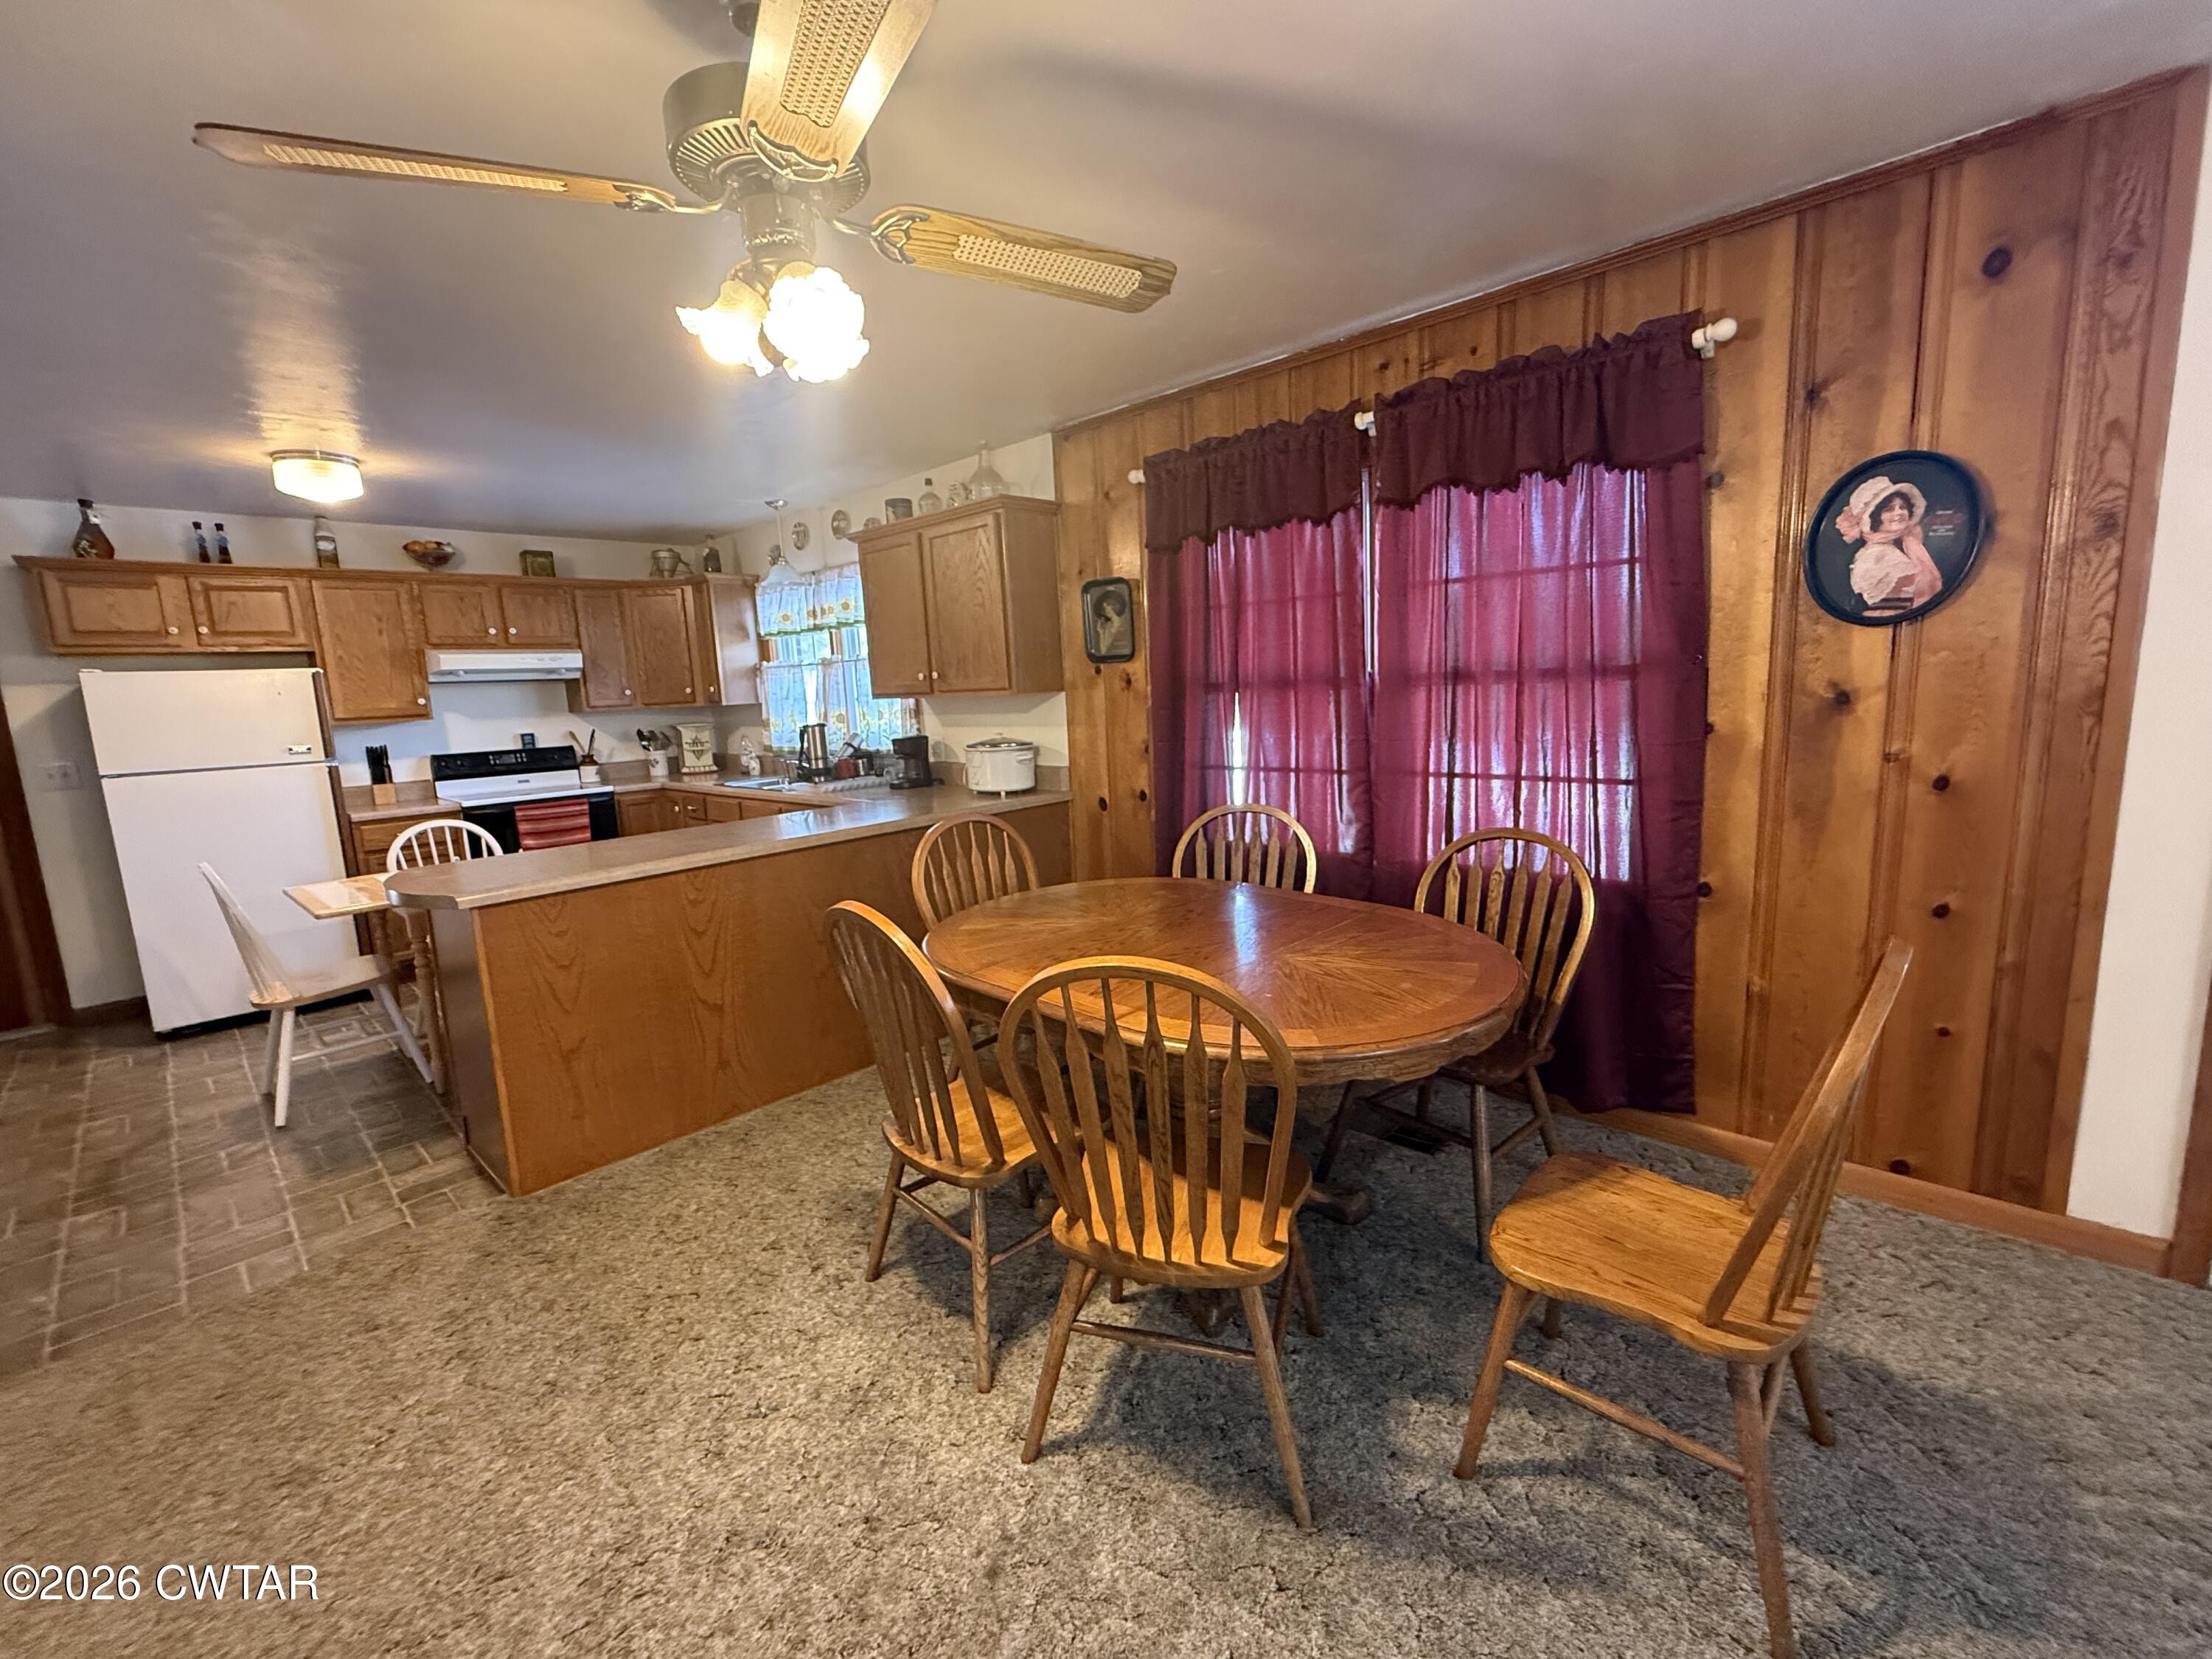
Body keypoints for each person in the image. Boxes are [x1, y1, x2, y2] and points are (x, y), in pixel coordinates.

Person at [1836, 476, 1943, 616]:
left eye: (1903, 507)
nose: (1899, 513)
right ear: (1874, 517)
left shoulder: (1901, 547)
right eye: (1889, 509)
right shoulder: (1878, 555)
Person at [1091, 585, 1133, 659]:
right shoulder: (1108, 623)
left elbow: (1104, 649)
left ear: (1112, 607)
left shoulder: (1116, 622)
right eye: (1104, 607)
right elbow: (1103, 650)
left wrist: (1101, 633)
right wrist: (1101, 632)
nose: (1105, 609)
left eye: (1107, 607)